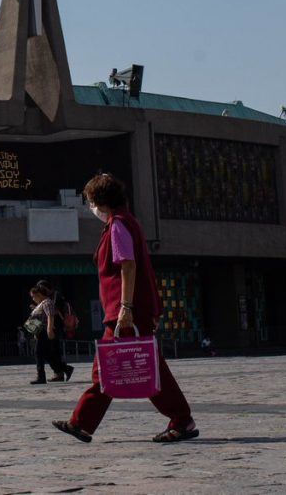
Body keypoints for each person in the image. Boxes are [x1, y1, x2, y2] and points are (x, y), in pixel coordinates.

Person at [53, 173, 199, 443]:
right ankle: (82, 423)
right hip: (129, 309)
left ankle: (180, 419)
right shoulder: (124, 222)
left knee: (115, 369)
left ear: (100, 201)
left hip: (124, 311)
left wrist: (126, 307)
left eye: (90, 201)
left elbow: (128, 265)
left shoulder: (118, 225)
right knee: (138, 368)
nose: (90, 207)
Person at [27, 285, 74, 384]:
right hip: (40, 332)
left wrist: (49, 329)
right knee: (47, 354)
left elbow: (50, 316)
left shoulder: (47, 302)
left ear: (39, 294)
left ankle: (41, 377)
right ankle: (65, 368)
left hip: (44, 332)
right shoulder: (41, 304)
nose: (33, 299)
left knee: (38, 353)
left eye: (33, 296)